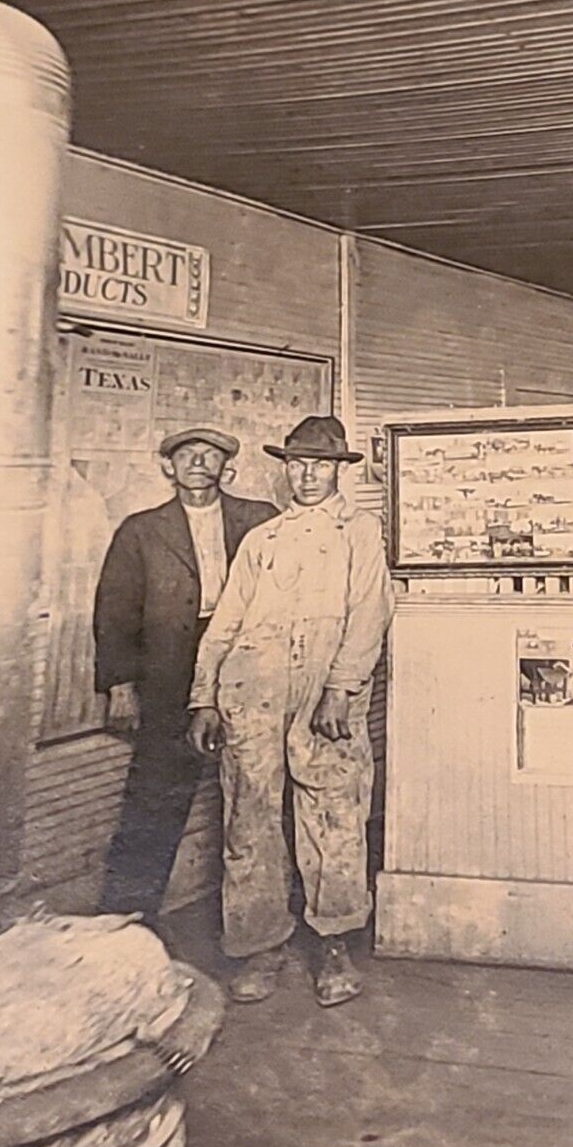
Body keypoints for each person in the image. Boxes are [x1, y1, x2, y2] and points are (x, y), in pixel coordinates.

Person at [187, 415, 394, 1008]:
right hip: (252, 690)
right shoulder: (264, 540)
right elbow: (226, 622)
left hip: (323, 691)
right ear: (285, 468)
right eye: (297, 463)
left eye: (320, 464)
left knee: (331, 813)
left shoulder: (359, 532)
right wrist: (204, 696)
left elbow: (368, 616)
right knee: (246, 817)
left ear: (339, 470)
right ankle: (260, 944)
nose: (307, 475)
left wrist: (341, 688)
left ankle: (333, 943)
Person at [93, 427, 278, 925]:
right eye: (186, 455)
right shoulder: (140, 530)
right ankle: (127, 921)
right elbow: (115, 611)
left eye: (210, 455)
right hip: (167, 673)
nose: (198, 462)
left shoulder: (260, 520)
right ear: (167, 468)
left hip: (245, 664)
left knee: (256, 792)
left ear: (228, 470)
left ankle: (262, 923)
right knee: (154, 796)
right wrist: (121, 685)